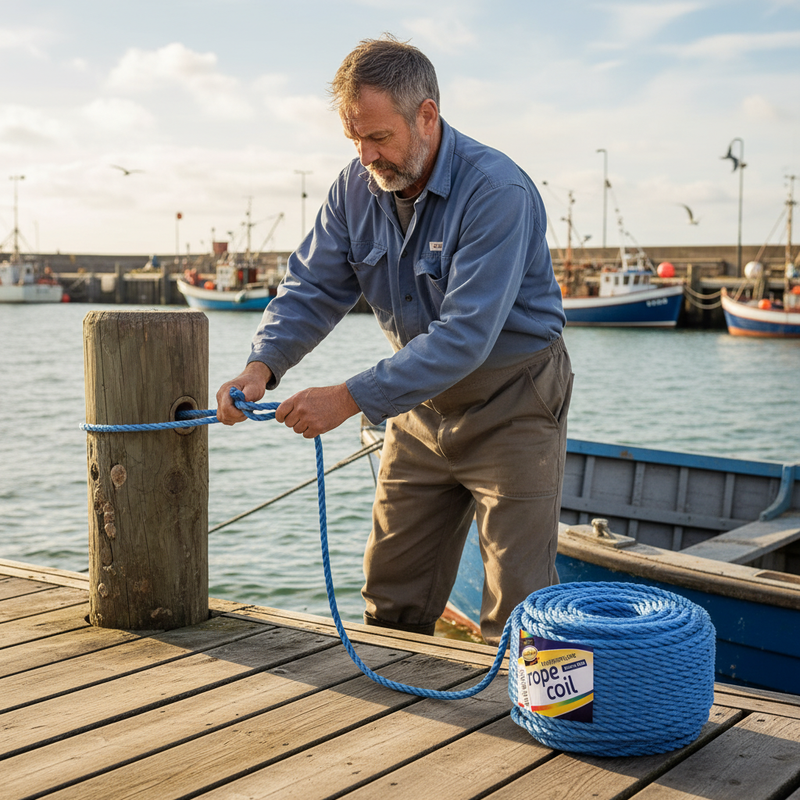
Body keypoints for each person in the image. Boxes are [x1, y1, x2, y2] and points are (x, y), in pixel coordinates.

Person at [216, 35, 573, 645]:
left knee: (520, 609)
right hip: (418, 404)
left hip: (514, 402)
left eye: (378, 137)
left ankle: (533, 734)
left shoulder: (498, 192)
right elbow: (310, 289)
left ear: (426, 116)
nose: (365, 155)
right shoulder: (354, 188)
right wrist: (260, 367)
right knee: (390, 592)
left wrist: (348, 397)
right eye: (354, 139)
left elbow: (464, 337)